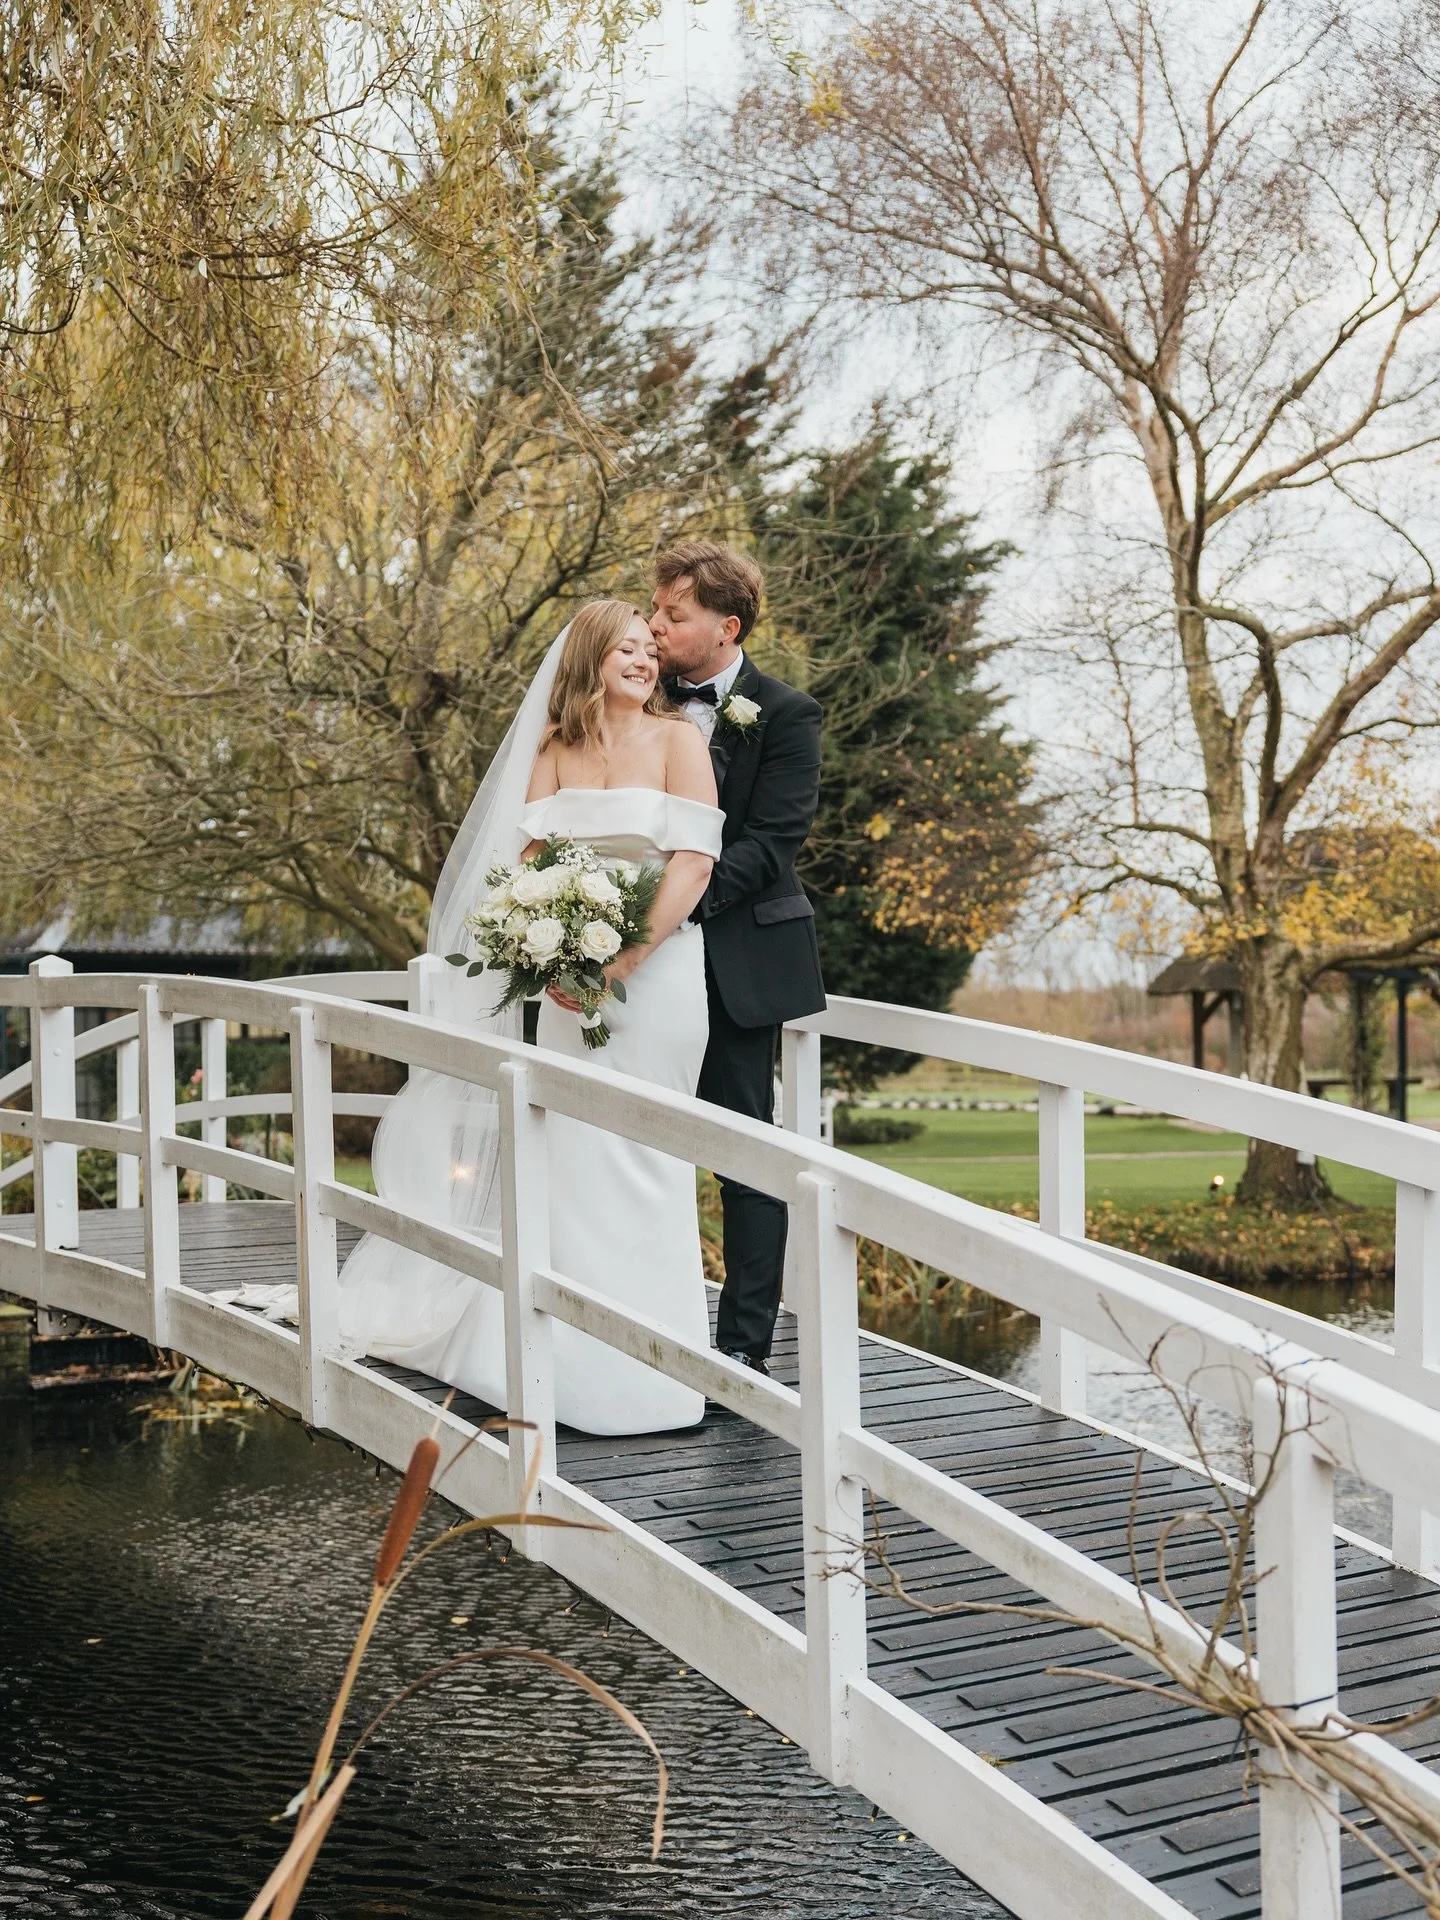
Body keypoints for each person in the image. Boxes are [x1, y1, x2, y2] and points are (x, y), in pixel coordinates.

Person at [338, 599, 724, 1434]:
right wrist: (550, 954)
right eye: (625, 650)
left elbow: (693, 866)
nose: (643, 661)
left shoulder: (679, 742)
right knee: (568, 1158)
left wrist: (622, 960)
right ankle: (567, 1366)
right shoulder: (551, 749)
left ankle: (654, 1374)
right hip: (565, 989)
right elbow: (525, 867)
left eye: (648, 650)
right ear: (589, 659)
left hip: (657, 985)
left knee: (646, 1158)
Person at [649, 541, 826, 1376]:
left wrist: (669, 908)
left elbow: (773, 841)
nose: (654, 626)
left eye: (674, 615)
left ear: (727, 627)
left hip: (735, 964)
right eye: (654, 609)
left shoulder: (787, 714)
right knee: (626, 1143)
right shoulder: (632, 696)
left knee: (745, 1157)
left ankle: (743, 1351)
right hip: (632, 968)